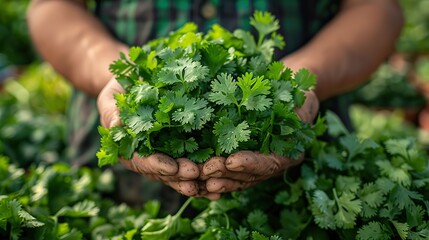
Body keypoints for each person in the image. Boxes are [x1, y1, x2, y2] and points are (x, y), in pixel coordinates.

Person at [26, 0, 403, 206]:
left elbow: (378, 8)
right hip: (114, 192)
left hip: (304, 182)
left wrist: (305, 75)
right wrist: (118, 73)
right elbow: (50, 7)